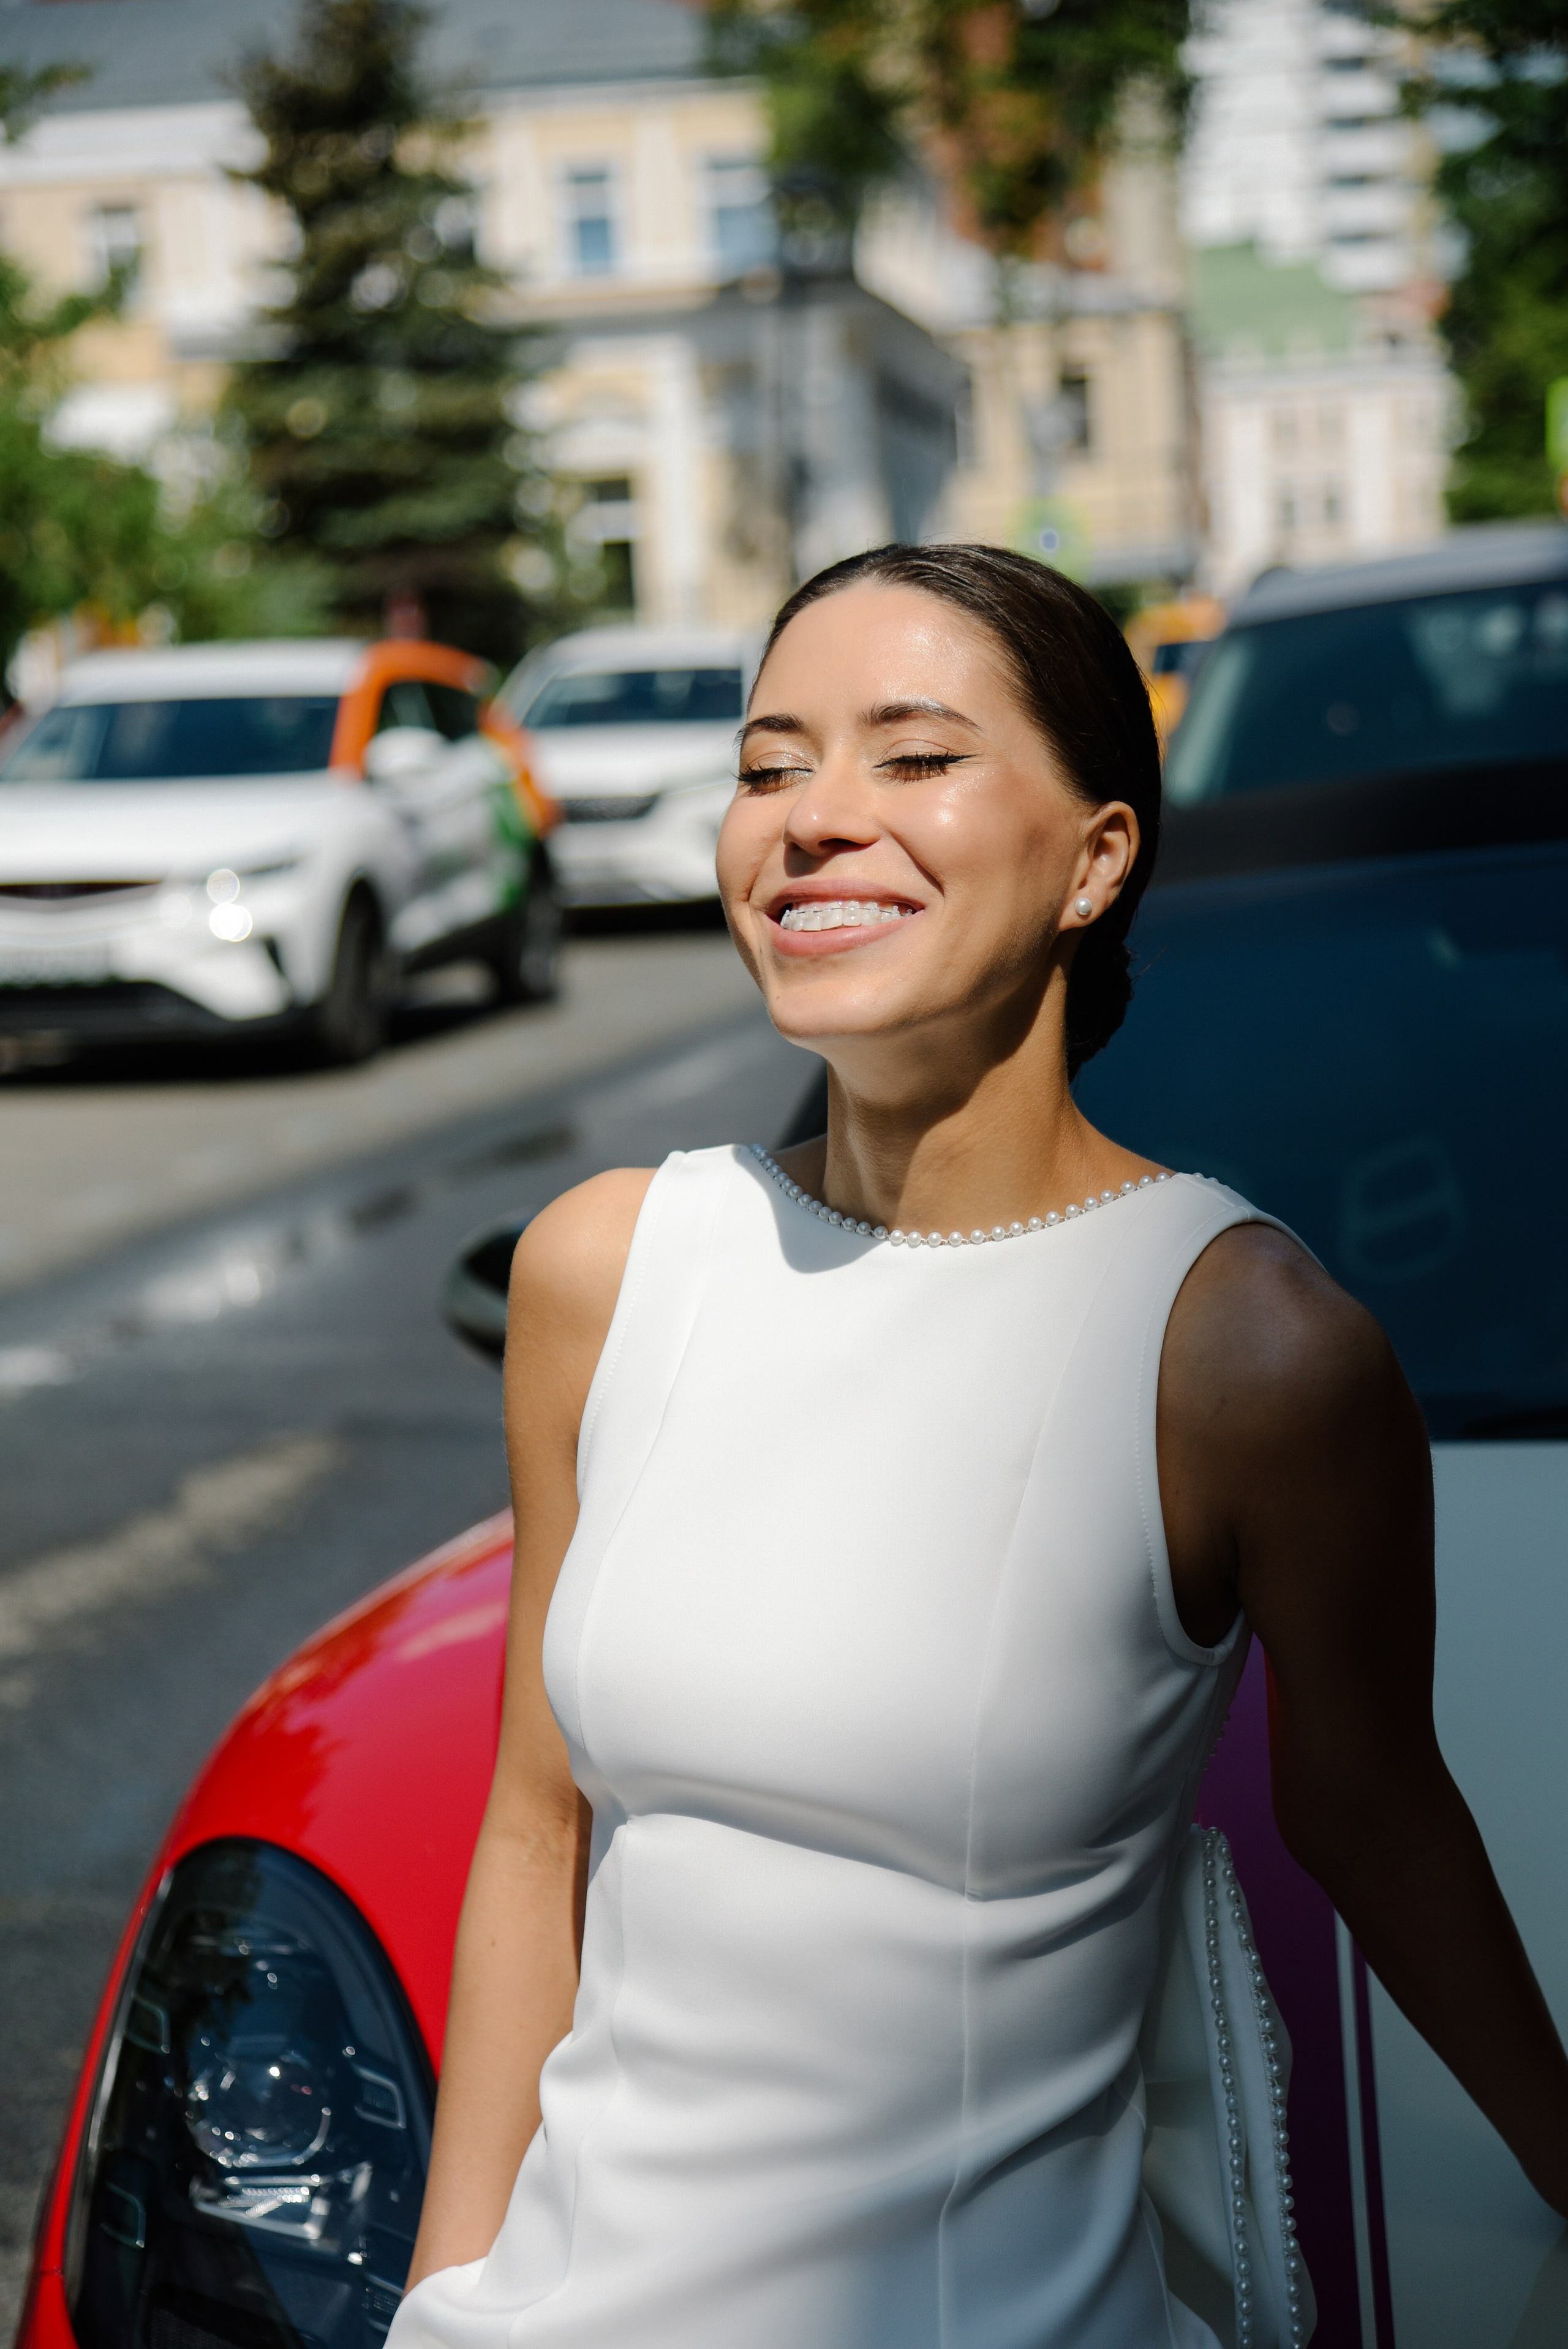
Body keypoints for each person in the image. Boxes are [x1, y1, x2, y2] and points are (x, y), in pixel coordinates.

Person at [391, 545, 1568, 2349]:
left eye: (913, 757)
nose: (814, 821)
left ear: (1098, 857)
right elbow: (536, 1832)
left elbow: (1376, 1813)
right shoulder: (610, 1265)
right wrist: (442, 2302)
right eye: (772, 764)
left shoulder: (1247, 1349)